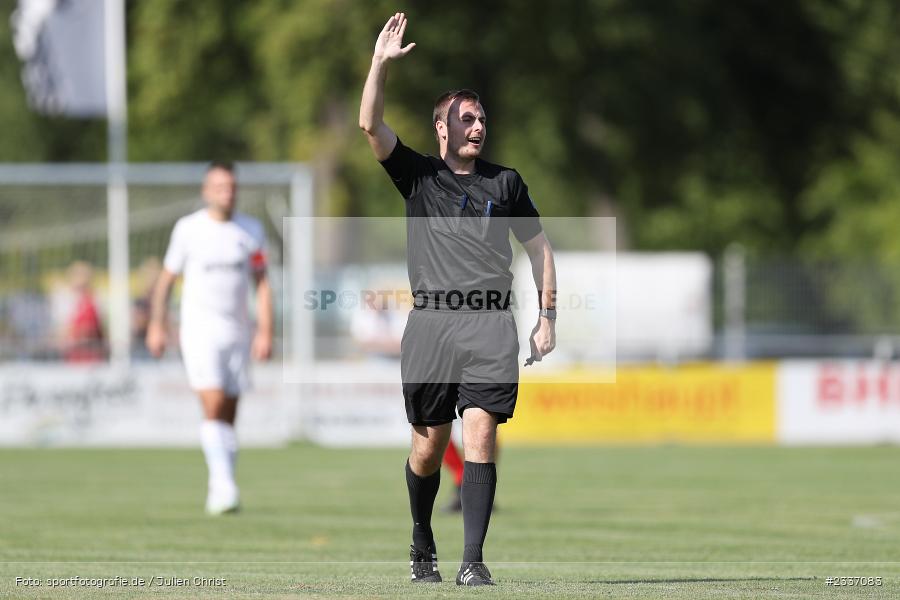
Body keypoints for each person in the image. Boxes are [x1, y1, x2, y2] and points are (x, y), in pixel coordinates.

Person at [359, 13, 557, 586]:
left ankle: (472, 561)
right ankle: (423, 539)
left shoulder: (507, 184)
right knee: (427, 447)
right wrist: (379, 64)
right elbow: (369, 123)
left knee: (482, 432)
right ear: (441, 129)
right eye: (466, 119)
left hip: (491, 327)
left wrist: (548, 318)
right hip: (431, 328)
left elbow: (542, 250)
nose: (477, 127)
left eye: (482, 120)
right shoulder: (418, 176)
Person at [146, 161, 273, 515]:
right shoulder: (188, 229)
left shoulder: (250, 230)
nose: (226, 192)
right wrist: (157, 325)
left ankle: (222, 484)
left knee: (229, 409)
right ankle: (223, 485)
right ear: (206, 191)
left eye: (231, 186)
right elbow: (166, 280)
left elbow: (261, 283)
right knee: (213, 403)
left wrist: (265, 330)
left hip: (238, 331)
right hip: (200, 331)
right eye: (219, 186)